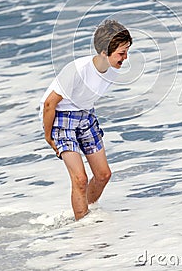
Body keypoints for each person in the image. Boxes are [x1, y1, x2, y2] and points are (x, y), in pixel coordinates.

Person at [40, 19, 132, 220]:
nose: (126, 57)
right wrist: (49, 136)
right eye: (122, 52)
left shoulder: (112, 70)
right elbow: (49, 104)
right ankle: (84, 231)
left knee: (103, 175)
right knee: (80, 179)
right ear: (104, 51)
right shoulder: (78, 70)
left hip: (85, 115)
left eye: (126, 51)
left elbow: (86, 97)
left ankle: (88, 214)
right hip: (61, 117)